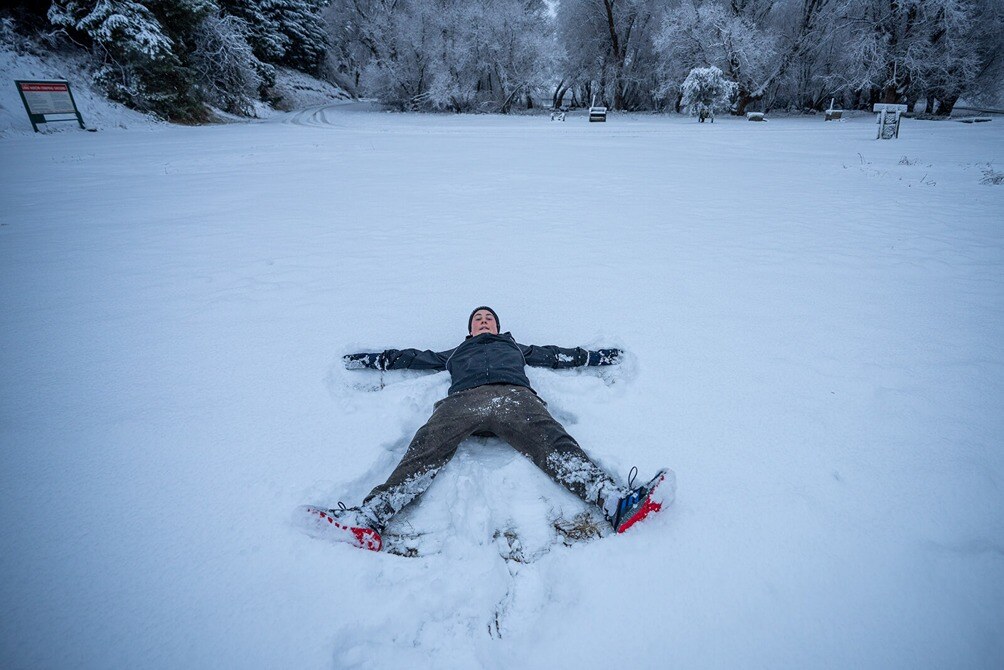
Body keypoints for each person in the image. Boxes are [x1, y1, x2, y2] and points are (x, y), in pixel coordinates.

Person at [305, 306, 667, 551]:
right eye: (477, 319)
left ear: (497, 326)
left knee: (554, 442)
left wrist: (593, 357)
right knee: (426, 447)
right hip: (462, 401)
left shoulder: (514, 347)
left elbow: (556, 354)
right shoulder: (455, 353)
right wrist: (374, 359)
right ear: (469, 329)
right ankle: (370, 519)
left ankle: (615, 502)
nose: (482, 322)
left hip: (514, 398)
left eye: (487, 319)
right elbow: (412, 357)